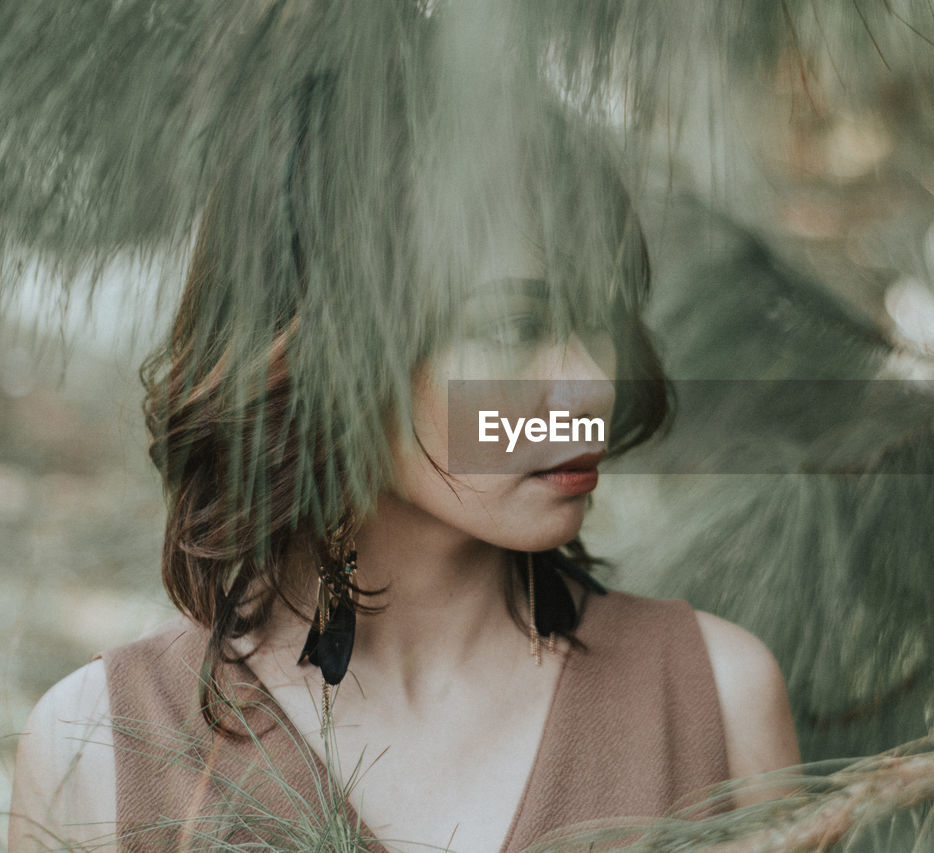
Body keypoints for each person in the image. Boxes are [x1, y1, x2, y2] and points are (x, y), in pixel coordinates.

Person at [7, 85, 800, 852]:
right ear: (322, 353)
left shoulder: (716, 707)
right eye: (515, 324)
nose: (593, 382)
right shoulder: (104, 754)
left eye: (602, 316)